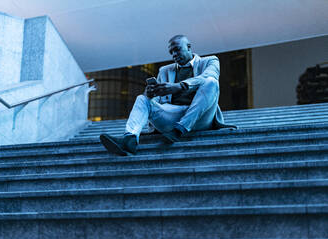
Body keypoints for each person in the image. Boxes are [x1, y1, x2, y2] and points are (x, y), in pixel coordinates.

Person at [100, 35, 236, 156]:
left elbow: (208, 76)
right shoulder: (164, 70)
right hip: (172, 116)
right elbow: (157, 102)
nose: (174, 55)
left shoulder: (210, 61)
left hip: (201, 118)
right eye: (171, 52)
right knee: (141, 98)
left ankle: (180, 130)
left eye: (177, 49)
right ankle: (129, 140)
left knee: (211, 82)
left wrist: (178, 86)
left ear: (189, 47)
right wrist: (150, 95)